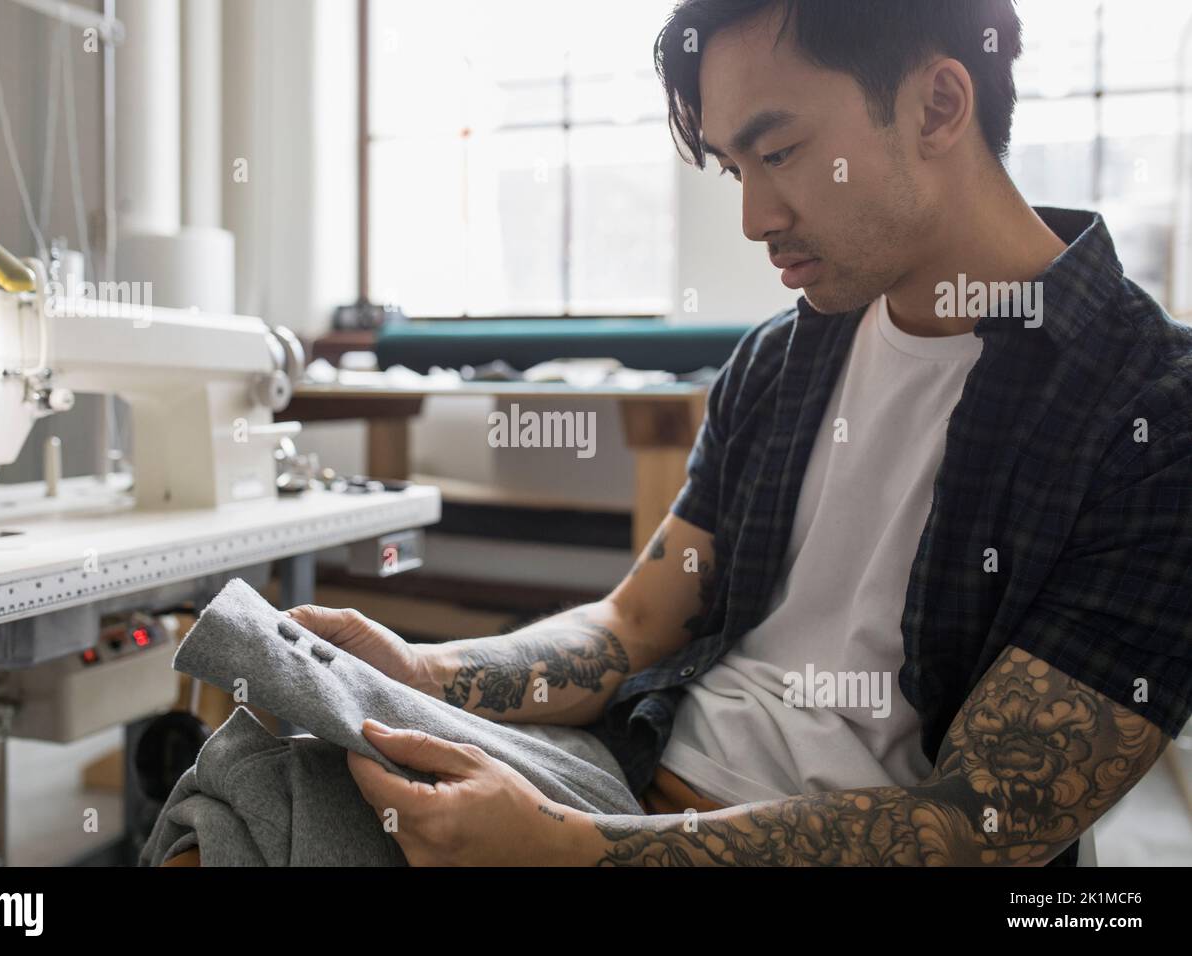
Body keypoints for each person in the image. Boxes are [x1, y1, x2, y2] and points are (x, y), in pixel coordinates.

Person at [288, 0, 1192, 866]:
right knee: (273, 765)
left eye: (783, 152)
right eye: (736, 169)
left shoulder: (1153, 413)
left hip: (688, 841)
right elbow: (637, 622)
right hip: (624, 770)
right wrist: (421, 668)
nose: (756, 219)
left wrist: (573, 853)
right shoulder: (776, 363)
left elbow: (985, 824)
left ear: (939, 105)